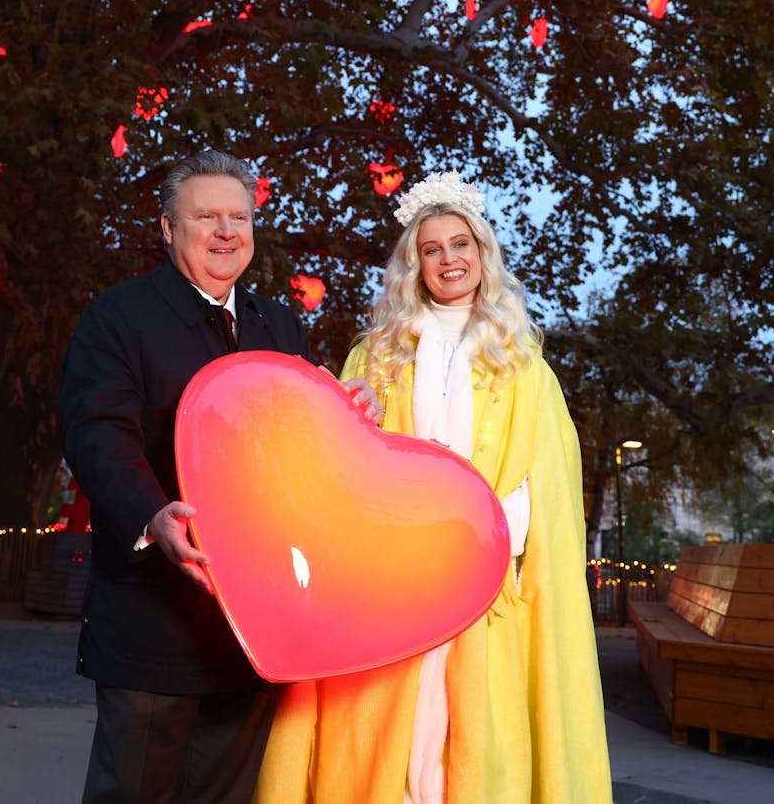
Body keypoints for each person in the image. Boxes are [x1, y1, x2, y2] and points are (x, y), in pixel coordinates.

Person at [254, 171, 611, 803]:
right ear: (415, 265)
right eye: (432, 249)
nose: (449, 259)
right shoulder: (377, 356)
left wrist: (477, 537)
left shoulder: (521, 363)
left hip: (480, 579)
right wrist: (347, 414)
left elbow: (542, 485)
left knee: (465, 735)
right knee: (389, 733)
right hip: (392, 583)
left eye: (460, 244)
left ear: (482, 253)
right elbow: (340, 471)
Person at [59, 149, 380, 804]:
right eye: (207, 215)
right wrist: (152, 514)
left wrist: (349, 418)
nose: (226, 231)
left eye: (240, 216)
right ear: (168, 228)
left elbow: (301, 453)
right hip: (151, 617)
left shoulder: (281, 325)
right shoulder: (117, 318)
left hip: (253, 625)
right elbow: (99, 434)